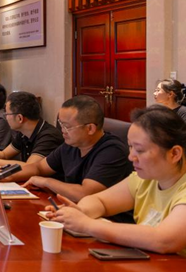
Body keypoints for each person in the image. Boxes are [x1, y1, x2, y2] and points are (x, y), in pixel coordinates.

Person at [47, 105, 186, 255]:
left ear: (174, 153)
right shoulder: (145, 180)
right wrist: (80, 212)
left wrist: (86, 224)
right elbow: (100, 201)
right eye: (130, 147)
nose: (131, 157)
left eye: (140, 150)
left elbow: (164, 240)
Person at [10, 95, 133, 205]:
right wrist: (6, 176)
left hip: (107, 219)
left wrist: (46, 182)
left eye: (67, 126)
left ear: (90, 128)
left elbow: (85, 193)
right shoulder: (71, 144)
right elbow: (39, 167)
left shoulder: (112, 151)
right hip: (75, 209)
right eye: (60, 124)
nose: (62, 130)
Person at [0, 91, 63, 169]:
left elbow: (30, 167)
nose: (5, 118)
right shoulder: (23, 133)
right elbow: (4, 154)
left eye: (7, 114)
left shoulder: (49, 136)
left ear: (20, 118)